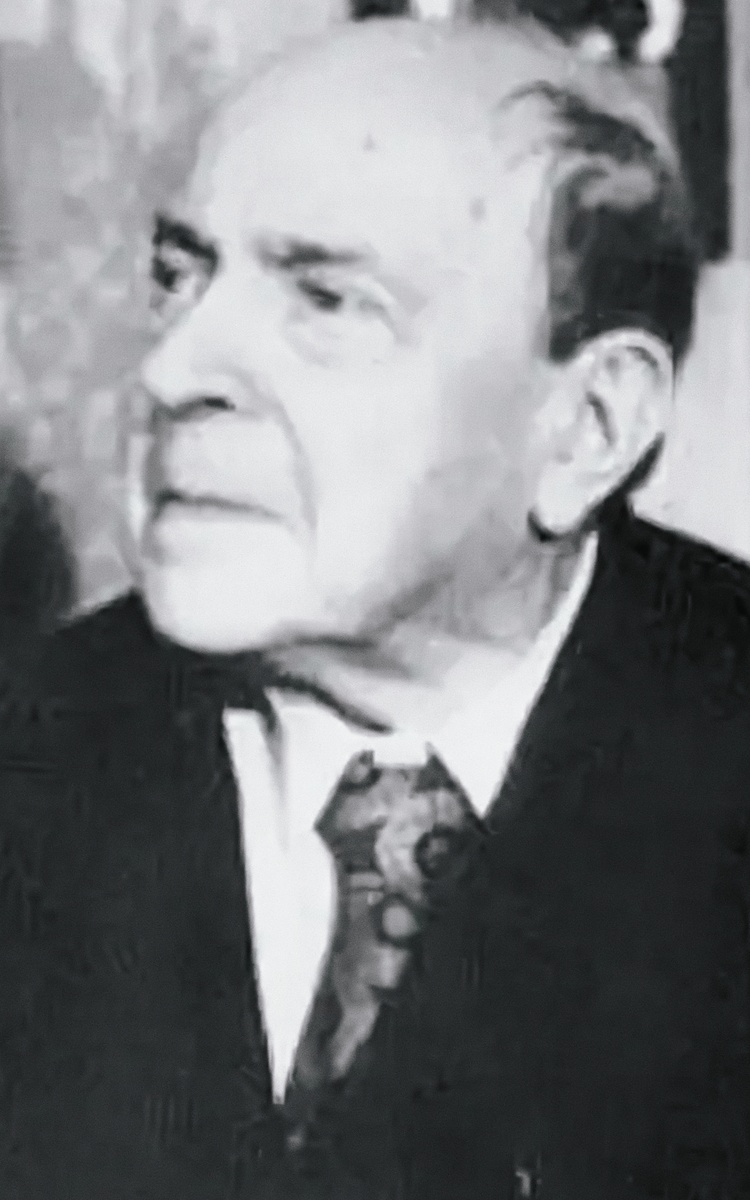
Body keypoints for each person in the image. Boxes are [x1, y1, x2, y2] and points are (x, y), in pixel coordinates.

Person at [0, 15, 748, 1200]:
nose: (173, 369)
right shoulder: (32, 754)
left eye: (328, 300)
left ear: (589, 427)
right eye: (177, 277)